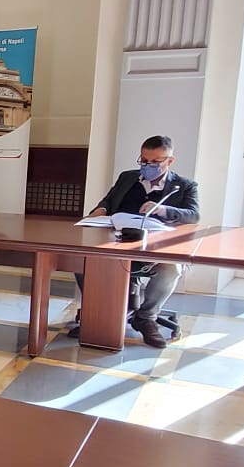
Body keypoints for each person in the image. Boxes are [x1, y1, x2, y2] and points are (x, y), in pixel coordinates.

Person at [72, 135, 201, 349]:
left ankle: (146, 317)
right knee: (82, 259)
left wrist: (163, 210)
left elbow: (193, 215)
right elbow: (109, 200)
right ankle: (101, 313)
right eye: (144, 160)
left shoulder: (185, 186)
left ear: (169, 161)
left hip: (155, 247)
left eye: (155, 162)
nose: (148, 166)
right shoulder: (127, 177)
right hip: (117, 241)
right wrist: (101, 209)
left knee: (172, 267)